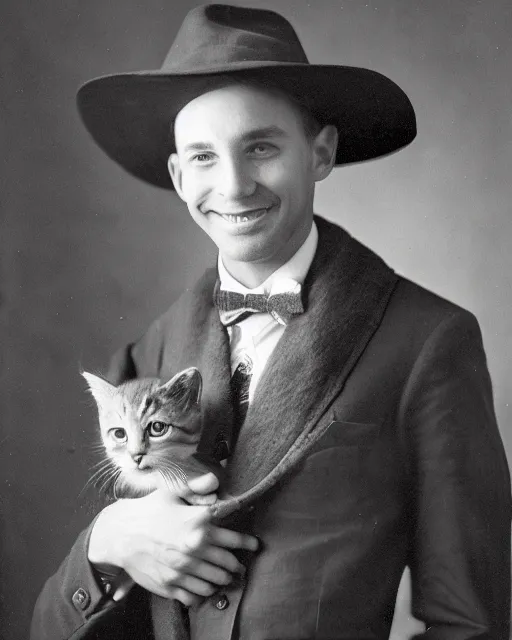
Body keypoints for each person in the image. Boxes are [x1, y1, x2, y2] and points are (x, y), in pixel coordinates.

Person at [31, 4, 511, 640]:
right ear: (178, 177)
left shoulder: (428, 340)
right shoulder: (149, 351)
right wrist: (106, 542)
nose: (232, 186)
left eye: (260, 147)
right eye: (202, 157)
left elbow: (474, 623)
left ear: (321, 153)